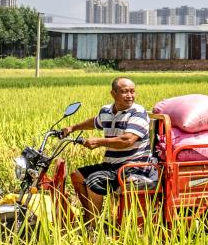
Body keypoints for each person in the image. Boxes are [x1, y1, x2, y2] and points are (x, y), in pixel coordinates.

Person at [59, 76, 150, 225]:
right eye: (125, 91)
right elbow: (95, 122)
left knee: (94, 180)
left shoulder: (137, 113)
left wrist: (99, 141)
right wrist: (73, 128)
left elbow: (127, 140)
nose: (130, 95)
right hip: (112, 165)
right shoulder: (107, 111)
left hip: (133, 166)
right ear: (113, 93)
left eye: (132, 91)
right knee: (77, 175)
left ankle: (93, 227)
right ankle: (90, 215)